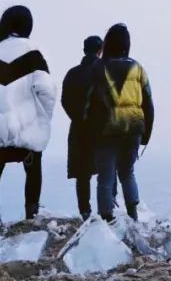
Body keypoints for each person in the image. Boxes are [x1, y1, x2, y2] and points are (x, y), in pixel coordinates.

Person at [0, 5, 57, 224]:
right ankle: (31, 216)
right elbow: (46, 90)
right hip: (26, 129)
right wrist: (43, 119)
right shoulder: (33, 52)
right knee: (33, 168)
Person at [86, 23, 154, 222]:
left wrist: (89, 129)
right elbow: (148, 104)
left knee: (105, 176)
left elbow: (88, 102)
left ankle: (106, 219)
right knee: (127, 172)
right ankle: (133, 215)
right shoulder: (138, 68)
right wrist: (146, 134)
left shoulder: (98, 68)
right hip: (134, 129)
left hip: (106, 129)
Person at [62, 35, 103, 219]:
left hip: (78, 127)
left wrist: (77, 117)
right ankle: (107, 210)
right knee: (106, 170)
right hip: (102, 128)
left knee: (82, 174)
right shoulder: (104, 71)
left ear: (84, 50)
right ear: (100, 50)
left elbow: (65, 100)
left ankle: (85, 212)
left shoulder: (72, 73)